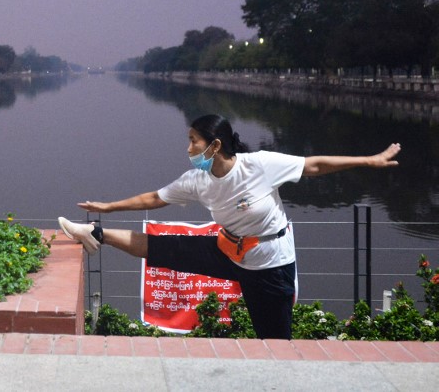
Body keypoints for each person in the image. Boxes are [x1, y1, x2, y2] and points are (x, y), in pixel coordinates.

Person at [57, 114, 400, 340]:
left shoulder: (259, 166)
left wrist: (368, 160)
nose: (188, 148)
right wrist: (107, 207)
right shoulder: (198, 180)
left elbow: (314, 165)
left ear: (215, 145)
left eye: (194, 140)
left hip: (270, 263)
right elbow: (153, 199)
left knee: (275, 340)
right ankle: (94, 233)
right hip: (227, 249)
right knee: (160, 246)